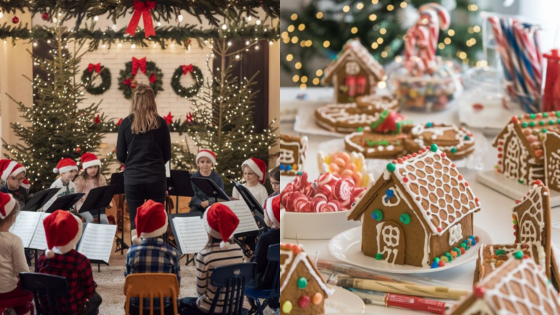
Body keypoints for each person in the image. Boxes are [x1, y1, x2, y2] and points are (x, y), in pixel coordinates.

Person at [116, 84, 171, 243]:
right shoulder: (161, 123)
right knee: (156, 217)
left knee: (135, 218)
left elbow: (120, 155)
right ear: (152, 100)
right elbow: (167, 154)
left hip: (133, 178)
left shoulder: (126, 123)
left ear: (134, 100)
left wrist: (133, 163)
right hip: (156, 178)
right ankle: (156, 251)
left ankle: (136, 254)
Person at [179, 203, 244, 314]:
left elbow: (200, 291)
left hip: (211, 308)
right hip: (234, 306)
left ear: (207, 227)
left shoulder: (204, 255)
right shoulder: (238, 250)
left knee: (181, 303)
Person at [38, 210, 102, 315]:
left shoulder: (42, 259)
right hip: (73, 311)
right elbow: (89, 292)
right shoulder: (81, 261)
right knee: (96, 299)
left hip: (47, 310)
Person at [125, 200, 180, 315]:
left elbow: (128, 279)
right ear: (163, 226)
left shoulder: (131, 252)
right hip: (164, 308)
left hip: (137, 308)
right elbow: (176, 286)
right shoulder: (173, 253)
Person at [0, 192, 34, 315]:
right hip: (7, 289)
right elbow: (22, 270)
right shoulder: (14, 240)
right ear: (13, 218)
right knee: (29, 291)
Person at [249, 195, 280, 309]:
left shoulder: (265, 238)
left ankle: (255, 308)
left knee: (243, 274)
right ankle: (273, 303)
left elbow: (257, 266)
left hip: (266, 283)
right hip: (282, 282)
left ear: (272, 218)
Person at [74, 153, 109, 224]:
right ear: (86, 168)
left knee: (104, 220)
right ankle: (88, 234)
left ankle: (102, 235)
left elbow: (105, 193)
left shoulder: (101, 178)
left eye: (95, 167)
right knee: (90, 219)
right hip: (83, 206)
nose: (93, 170)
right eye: (90, 167)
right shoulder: (79, 180)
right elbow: (77, 197)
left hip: (97, 207)